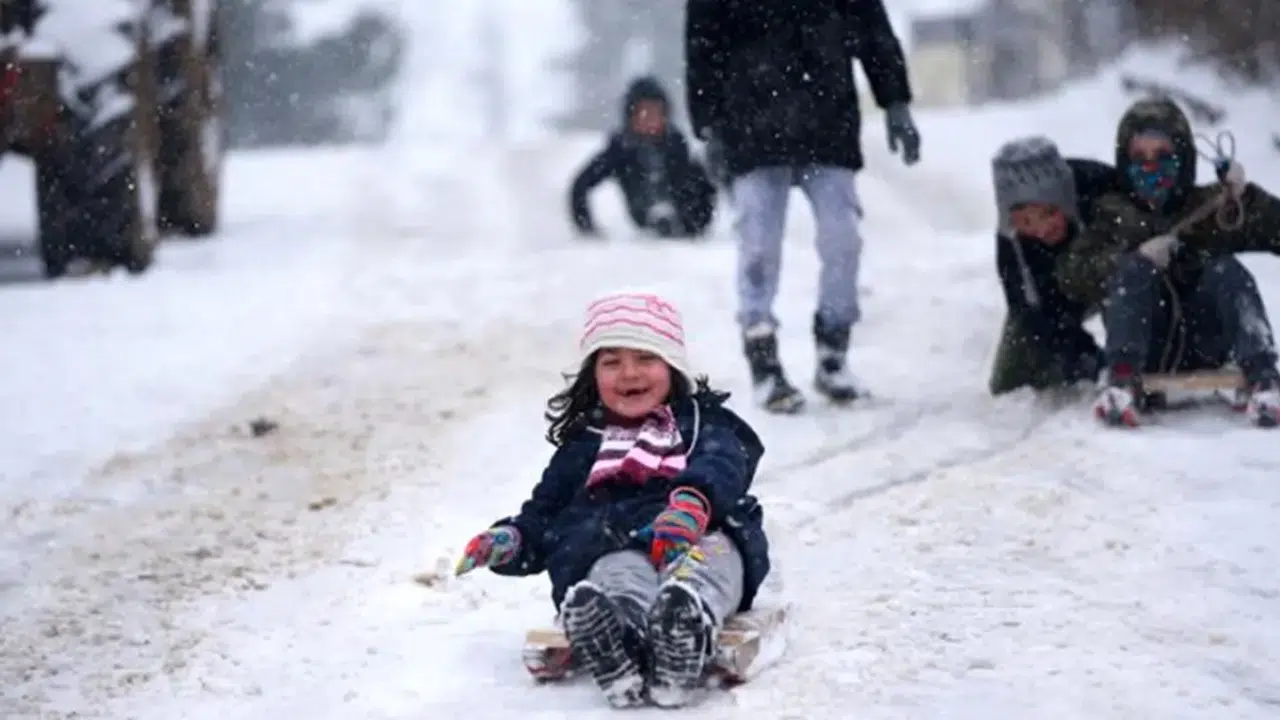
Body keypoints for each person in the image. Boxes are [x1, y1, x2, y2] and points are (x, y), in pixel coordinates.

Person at [453, 291, 771, 708]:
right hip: (616, 545)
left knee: (707, 565)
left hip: (695, 536)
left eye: (645, 358)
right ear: (593, 375)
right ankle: (616, 640)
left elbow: (723, 463)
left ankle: (685, 628)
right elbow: (545, 514)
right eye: (611, 362)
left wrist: (692, 503)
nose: (628, 373)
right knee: (616, 575)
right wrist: (511, 539)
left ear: (672, 366)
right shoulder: (584, 445)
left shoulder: (701, 423)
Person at [684, 0, 922, 414]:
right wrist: (709, 126)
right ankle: (763, 357)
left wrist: (895, 102)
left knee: (842, 239)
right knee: (758, 246)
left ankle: (834, 349)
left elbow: (873, 31)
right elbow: (703, 46)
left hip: (828, 121)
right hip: (750, 126)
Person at [1053, 97, 1280, 427]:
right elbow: (1073, 275)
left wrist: (1245, 198)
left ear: (1183, 158)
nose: (1151, 167)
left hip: (1204, 340)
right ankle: (1121, 384)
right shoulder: (1111, 213)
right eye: (1139, 158)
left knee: (1225, 269)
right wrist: (1131, 260)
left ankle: (1264, 377)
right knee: (1133, 271)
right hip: (1145, 345)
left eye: (1163, 157)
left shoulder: (1208, 206)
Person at [988, 136, 1122, 395]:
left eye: (1049, 213)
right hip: (1058, 294)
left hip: (1116, 279)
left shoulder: (1103, 188)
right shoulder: (1012, 245)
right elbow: (1029, 311)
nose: (1041, 229)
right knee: (1009, 382)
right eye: (1025, 222)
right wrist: (1082, 355)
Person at [568, 77, 717, 239]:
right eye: (643, 113)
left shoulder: (677, 146)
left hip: (683, 224)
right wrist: (587, 228)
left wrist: (696, 224)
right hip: (643, 220)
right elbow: (581, 186)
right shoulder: (620, 150)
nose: (650, 119)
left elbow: (706, 188)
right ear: (631, 116)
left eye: (655, 112)